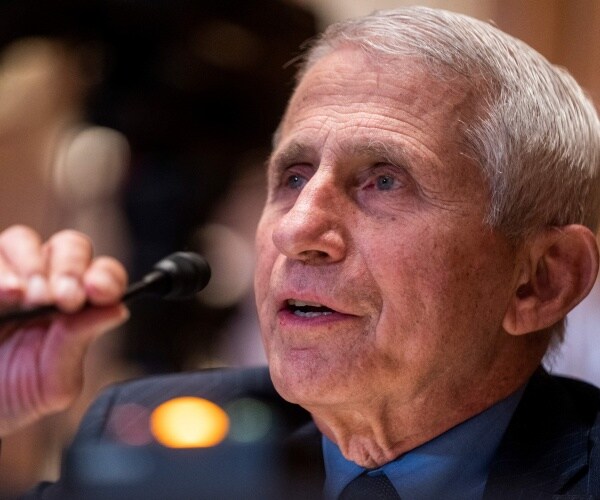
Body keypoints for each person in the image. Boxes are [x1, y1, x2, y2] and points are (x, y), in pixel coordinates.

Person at [1, 6, 600, 499]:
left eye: (384, 181)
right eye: (293, 176)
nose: (297, 230)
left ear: (541, 282)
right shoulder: (149, 435)